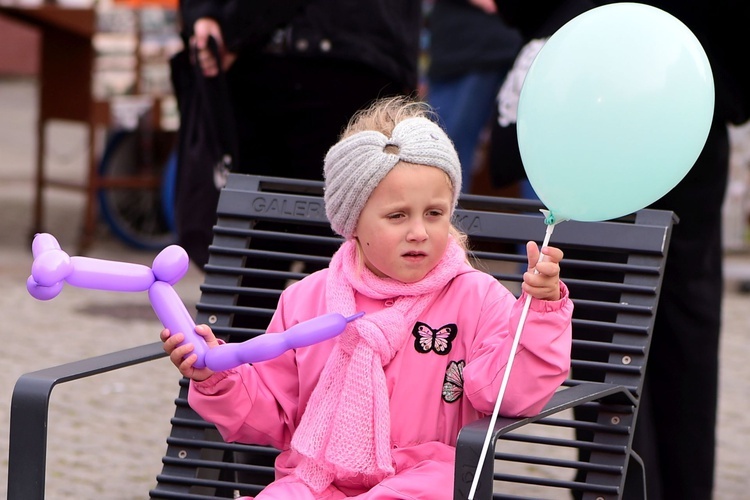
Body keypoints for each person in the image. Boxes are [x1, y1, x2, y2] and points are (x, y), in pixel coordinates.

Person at [160, 96, 574, 498]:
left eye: (434, 213)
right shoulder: (307, 300)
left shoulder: (475, 297)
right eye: (397, 216)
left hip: (425, 478)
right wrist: (217, 376)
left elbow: (512, 392)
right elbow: (274, 415)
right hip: (316, 480)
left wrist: (541, 311)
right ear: (352, 222)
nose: (419, 231)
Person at [489, 1, 750, 499]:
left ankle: (618, 485)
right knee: (680, 328)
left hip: (605, 105)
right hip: (685, 100)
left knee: (610, 329)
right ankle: (670, 485)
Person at [173, 0, 423, 267]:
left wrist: (227, 26)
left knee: (341, 246)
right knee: (256, 247)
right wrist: (206, 17)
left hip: (352, 60)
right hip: (265, 67)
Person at [425, 0, 522, 192]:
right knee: (441, 158)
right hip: (464, 46)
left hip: (522, 42)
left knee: (536, 155)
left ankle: (549, 222)